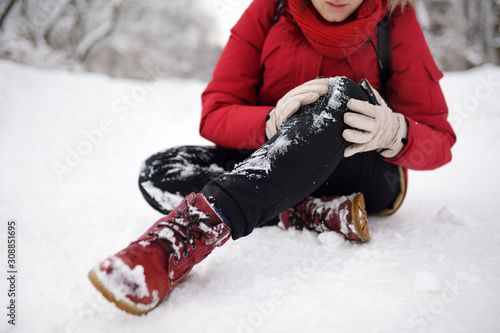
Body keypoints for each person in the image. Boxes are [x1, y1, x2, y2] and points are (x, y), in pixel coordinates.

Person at [88, 0, 456, 315]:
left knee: (339, 94)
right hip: (275, 160)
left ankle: (183, 237)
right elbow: (215, 111)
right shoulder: (270, 10)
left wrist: (396, 132)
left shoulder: (396, 17)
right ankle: (304, 211)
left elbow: (440, 140)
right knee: (160, 171)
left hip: (365, 170)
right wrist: (270, 121)